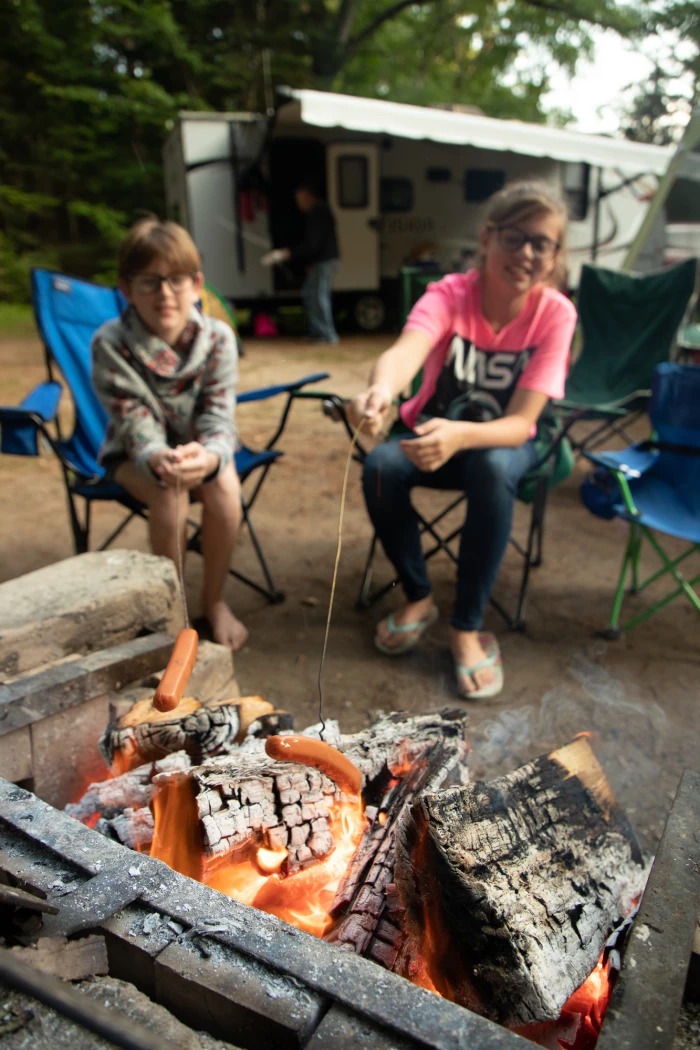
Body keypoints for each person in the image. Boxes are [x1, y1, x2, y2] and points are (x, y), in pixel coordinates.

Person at [349, 181, 577, 700]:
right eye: (515, 237)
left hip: (503, 443)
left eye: (542, 244)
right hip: (433, 434)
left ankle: (467, 627)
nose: (526, 253)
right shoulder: (451, 294)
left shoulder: (556, 314)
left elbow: (521, 423)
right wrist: (382, 389)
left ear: (555, 255)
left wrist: (462, 435)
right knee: (381, 466)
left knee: (493, 468)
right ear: (487, 237)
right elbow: (408, 348)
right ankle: (419, 595)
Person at [91, 217, 248, 651]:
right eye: (149, 282)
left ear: (196, 284)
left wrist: (214, 457)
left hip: (202, 450)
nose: (164, 294)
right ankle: (172, 616)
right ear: (126, 289)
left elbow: (220, 416)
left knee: (226, 492)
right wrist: (158, 456)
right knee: (169, 495)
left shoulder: (218, 339)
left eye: (176, 280)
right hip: (133, 454)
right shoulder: (110, 343)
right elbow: (133, 419)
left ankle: (213, 602)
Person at [263, 181, 340, 344]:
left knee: (319, 297)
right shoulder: (316, 212)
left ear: (309, 197)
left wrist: (288, 253)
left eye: (300, 199)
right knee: (309, 294)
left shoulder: (318, 211)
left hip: (325, 261)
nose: (299, 204)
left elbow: (314, 244)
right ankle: (317, 332)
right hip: (320, 261)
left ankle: (328, 335)